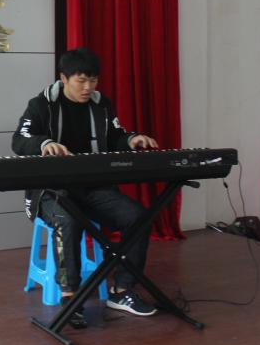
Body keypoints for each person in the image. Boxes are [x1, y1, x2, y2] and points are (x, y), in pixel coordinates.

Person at [12, 47, 160, 328]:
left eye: (93, 80)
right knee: (68, 220)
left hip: (94, 188)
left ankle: (122, 290)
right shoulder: (41, 105)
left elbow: (115, 136)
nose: (88, 87)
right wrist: (44, 144)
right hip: (50, 191)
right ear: (63, 78)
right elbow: (19, 140)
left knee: (138, 217)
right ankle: (71, 297)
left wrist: (131, 139)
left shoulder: (101, 105)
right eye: (81, 81)